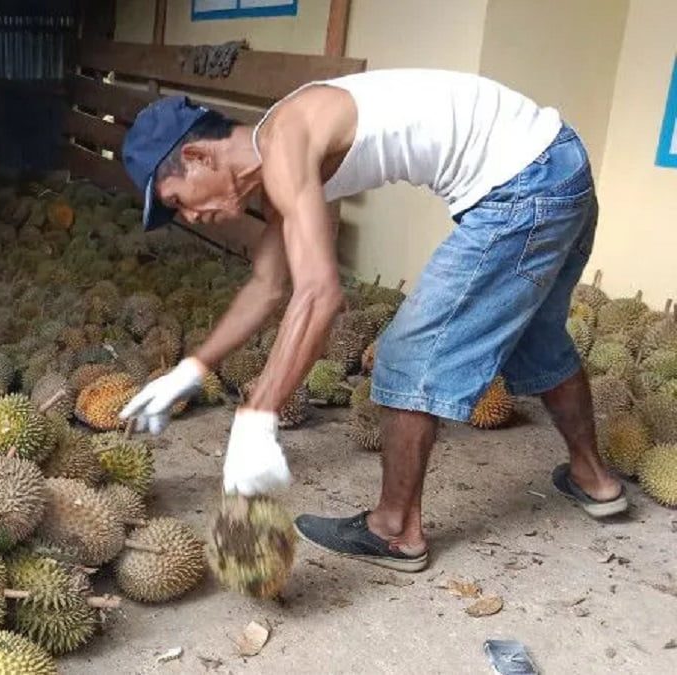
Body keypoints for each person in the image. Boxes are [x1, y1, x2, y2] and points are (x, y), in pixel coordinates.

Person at [117, 68, 626, 572]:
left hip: (524, 186)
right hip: (559, 164)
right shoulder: (285, 164)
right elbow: (267, 286)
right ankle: (594, 479)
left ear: (197, 156)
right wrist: (191, 369)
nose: (190, 217)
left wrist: (256, 417)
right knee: (535, 337)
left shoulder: (285, 139)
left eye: (177, 202)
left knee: (407, 356)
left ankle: (394, 530)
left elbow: (320, 294)